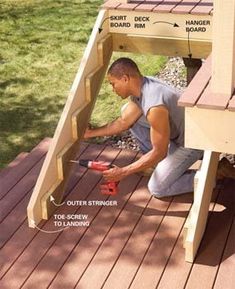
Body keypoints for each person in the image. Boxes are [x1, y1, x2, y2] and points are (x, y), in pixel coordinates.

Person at [84, 57, 234, 198]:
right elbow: (124, 122)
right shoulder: (143, 85)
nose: (112, 89)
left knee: (157, 188)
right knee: (127, 112)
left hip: (193, 142)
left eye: (112, 83)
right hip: (184, 132)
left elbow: (159, 152)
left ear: (125, 79)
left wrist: (123, 172)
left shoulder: (154, 105)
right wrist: (90, 133)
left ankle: (215, 173)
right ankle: (158, 166)